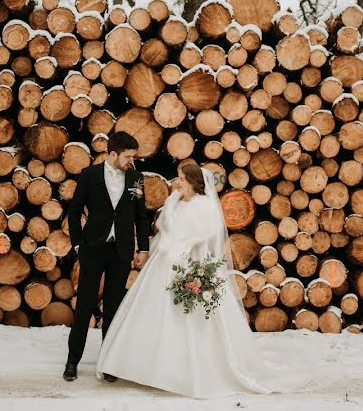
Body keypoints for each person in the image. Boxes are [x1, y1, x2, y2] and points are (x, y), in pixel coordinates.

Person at [95, 162, 314, 398]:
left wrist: (193, 269)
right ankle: (146, 366)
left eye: (180, 178)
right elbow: (166, 230)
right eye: (177, 177)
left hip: (187, 264)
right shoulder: (174, 202)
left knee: (188, 318)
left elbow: (204, 240)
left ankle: (185, 371)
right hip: (164, 262)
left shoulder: (203, 207)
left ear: (192, 182)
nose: (176, 182)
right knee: (151, 312)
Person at [64, 131, 152, 382]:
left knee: (114, 309)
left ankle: (109, 363)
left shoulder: (136, 177)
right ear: (112, 154)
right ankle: (72, 361)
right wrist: (78, 245)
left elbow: (141, 216)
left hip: (121, 251)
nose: (131, 161)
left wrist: (143, 248)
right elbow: (74, 212)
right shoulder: (89, 175)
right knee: (83, 307)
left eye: (133, 157)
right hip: (93, 249)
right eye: (128, 156)